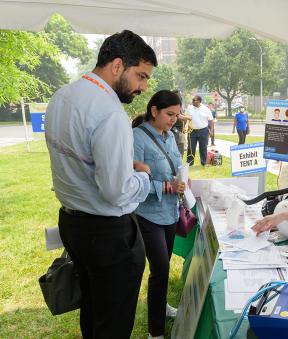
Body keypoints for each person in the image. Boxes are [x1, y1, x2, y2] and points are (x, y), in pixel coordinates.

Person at [44, 30, 157, 338]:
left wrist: (119, 167)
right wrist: (143, 177)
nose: (143, 88)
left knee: (93, 308)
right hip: (108, 235)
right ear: (118, 65)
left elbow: (77, 157)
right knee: (113, 321)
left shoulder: (61, 96)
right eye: (141, 76)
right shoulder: (110, 113)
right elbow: (116, 191)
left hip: (72, 224)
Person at [132, 90, 186, 339]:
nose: (174, 119)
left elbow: (174, 167)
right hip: (148, 215)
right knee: (160, 270)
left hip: (171, 213)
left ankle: (161, 306)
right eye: (169, 114)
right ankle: (155, 331)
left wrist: (181, 182)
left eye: (177, 114)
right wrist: (166, 187)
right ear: (154, 111)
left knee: (163, 268)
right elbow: (133, 181)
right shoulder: (137, 138)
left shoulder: (171, 136)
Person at [186, 95, 214, 166]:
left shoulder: (206, 109)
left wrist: (212, 131)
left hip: (203, 131)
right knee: (191, 147)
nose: (192, 101)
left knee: (203, 147)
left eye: (193, 100)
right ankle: (189, 163)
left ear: (198, 101)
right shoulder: (189, 108)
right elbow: (186, 118)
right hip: (192, 131)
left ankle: (203, 163)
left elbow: (211, 121)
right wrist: (186, 127)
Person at [171, 90, 191, 158]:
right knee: (178, 151)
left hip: (179, 131)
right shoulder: (173, 104)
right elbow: (178, 116)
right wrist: (188, 117)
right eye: (180, 95)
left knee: (180, 150)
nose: (181, 96)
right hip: (174, 131)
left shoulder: (179, 105)